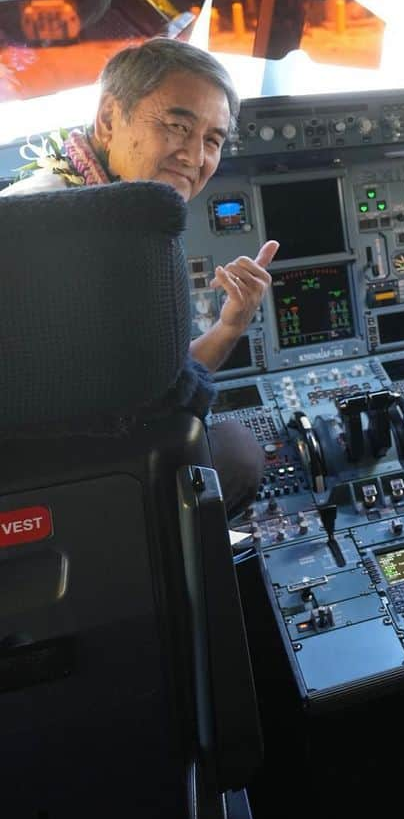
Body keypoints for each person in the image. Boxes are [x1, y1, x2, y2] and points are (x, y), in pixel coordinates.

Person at [4, 38, 277, 514]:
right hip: (89, 501)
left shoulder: (38, 202)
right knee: (236, 451)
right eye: (177, 126)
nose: (195, 157)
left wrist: (230, 324)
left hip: (44, 493)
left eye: (212, 140)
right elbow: (172, 399)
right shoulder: (96, 239)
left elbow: (145, 379)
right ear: (108, 120)